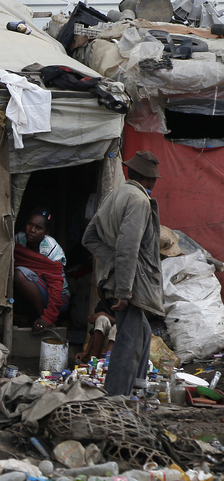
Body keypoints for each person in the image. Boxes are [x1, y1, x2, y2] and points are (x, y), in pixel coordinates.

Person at [82, 151, 164, 396]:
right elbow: (128, 247)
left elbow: (89, 237)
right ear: (150, 180)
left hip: (121, 274)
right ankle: (117, 395)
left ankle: (137, 384)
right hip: (130, 280)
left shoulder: (115, 194)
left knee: (143, 332)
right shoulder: (139, 201)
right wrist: (124, 289)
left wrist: (112, 260)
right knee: (128, 341)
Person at [13, 208, 70, 335]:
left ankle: (44, 319)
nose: (32, 230)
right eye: (30, 225)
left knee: (20, 273)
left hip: (59, 300)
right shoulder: (18, 240)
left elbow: (56, 286)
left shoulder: (51, 248)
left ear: (46, 232)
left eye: (38, 227)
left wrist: (47, 318)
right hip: (35, 296)